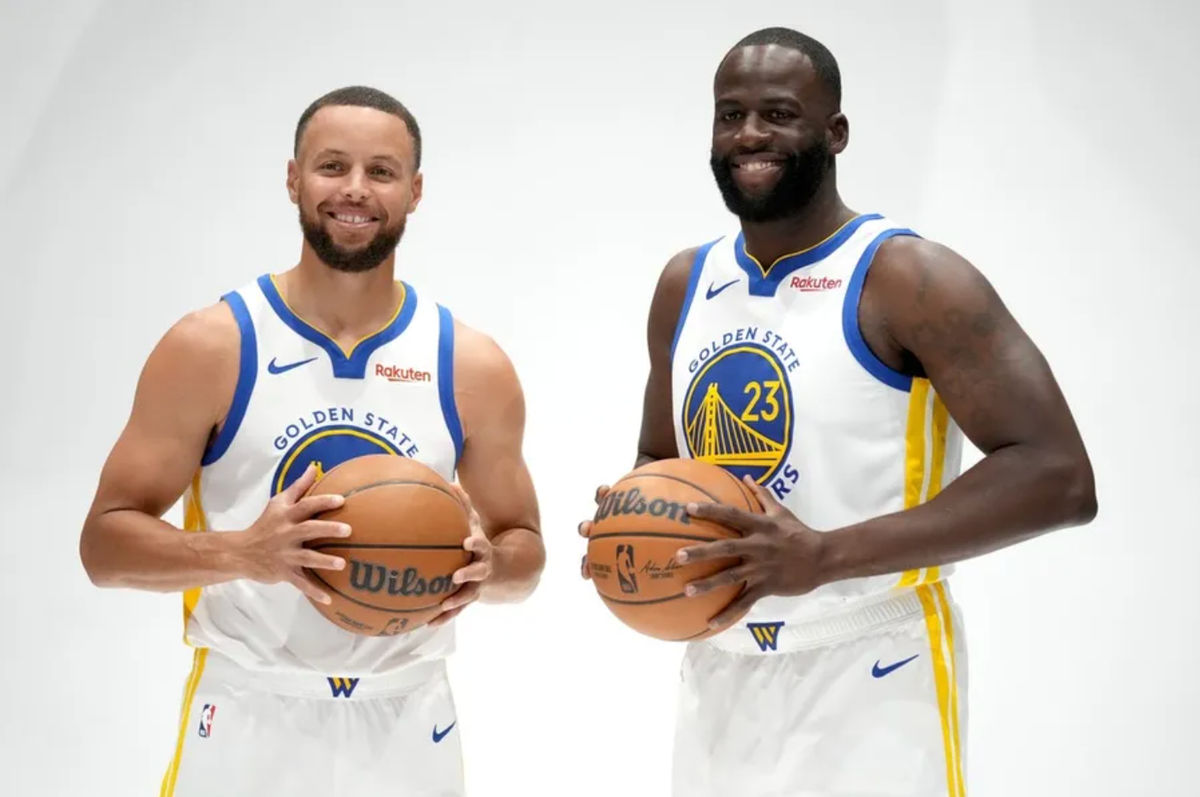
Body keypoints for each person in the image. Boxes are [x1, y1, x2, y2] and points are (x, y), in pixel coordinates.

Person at [579, 27, 1096, 797]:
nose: (750, 134)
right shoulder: (686, 282)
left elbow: (1058, 476)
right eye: (730, 115)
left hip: (873, 671)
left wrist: (825, 555)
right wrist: (633, 517)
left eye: (779, 113)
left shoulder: (908, 277)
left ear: (835, 132)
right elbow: (663, 458)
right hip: (720, 668)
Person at [79, 85, 544, 797]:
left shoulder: (469, 363)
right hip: (248, 715)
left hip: (409, 717)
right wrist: (244, 551)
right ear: (293, 178)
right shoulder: (214, 345)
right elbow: (104, 547)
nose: (354, 190)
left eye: (381, 171)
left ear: (415, 191)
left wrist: (486, 567)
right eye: (332, 166)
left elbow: (526, 552)